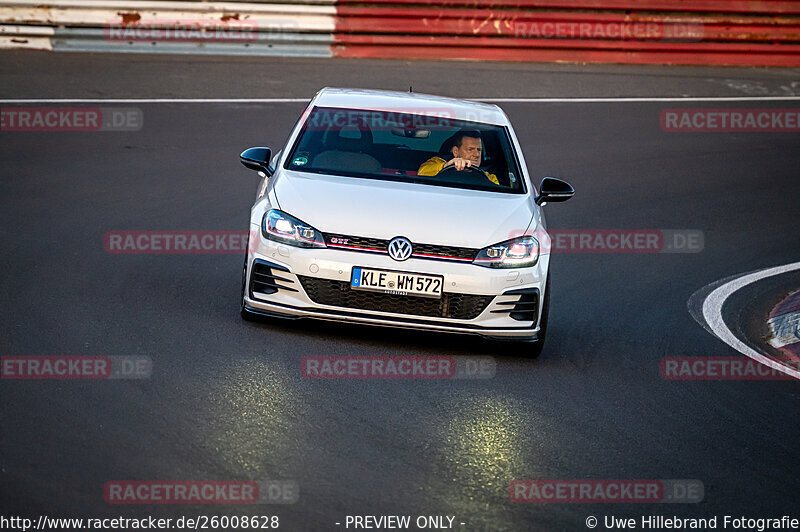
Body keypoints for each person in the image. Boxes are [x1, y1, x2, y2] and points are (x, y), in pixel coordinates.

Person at [417, 129, 499, 185]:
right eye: (470, 149)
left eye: (479, 150)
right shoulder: (440, 162)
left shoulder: (489, 177)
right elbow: (422, 172)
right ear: (455, 151)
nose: (477, 154)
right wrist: (447, 166)